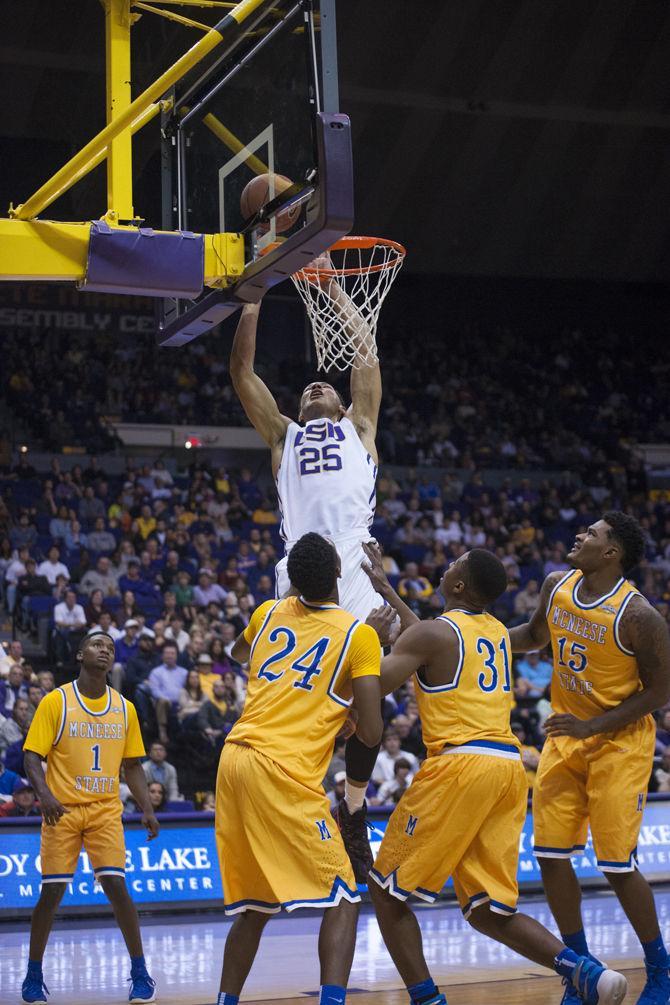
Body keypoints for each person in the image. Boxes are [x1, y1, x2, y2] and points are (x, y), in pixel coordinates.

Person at [361, 543, 628, 1005]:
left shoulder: (434, 635)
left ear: (458, 585)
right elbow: (426, 636)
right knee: (488, 910)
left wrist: (366, 639)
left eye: (451, 567)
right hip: (506, 769)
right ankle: (584, 971)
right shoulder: (497, 634)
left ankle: (428, 1000)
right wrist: (386, 588)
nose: (444, 568)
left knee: (386, 891)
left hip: (459, 764)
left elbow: (376, 683)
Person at [215, 532, 390, 1005]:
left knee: (256, 906)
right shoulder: (359, 634)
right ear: (338, 572)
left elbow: (237, 654)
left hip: (234, 761)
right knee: (344, 895)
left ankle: (225, 1000)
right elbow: (372, 733)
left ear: (292, 581)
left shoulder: (267, 613)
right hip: (282, 769)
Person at [509, 511, 670, 1005]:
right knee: (552, 857)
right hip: (566, 735)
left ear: (611, 553)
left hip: (620, 743)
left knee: (617, 864)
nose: (580, 535)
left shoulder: (639, 615)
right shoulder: (557, 585)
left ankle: (661, 970)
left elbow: (662, 690)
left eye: (593, 534)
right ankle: (582, 971)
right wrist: (471, 641)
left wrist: (594, 726)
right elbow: (535, 637)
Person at [229, 288, 384, 621]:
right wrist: (252, 303)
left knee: (362, 656)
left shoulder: (358, 427)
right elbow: (242, 372)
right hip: (301, 550)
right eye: (309, 390)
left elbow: (366, 351)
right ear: (299, 413)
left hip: (355, 549)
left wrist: (332, 290)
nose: (317, 386)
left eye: (326, 387)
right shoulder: (285, 436)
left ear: (343, 407)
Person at [20, 631, 158, 1004]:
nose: (105, 651)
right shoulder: (56, 701)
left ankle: (141, 972)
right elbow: (31, 756)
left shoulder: (125, 708)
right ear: (80, 654)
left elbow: (132, 766)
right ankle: (33, 975)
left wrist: (146, 808)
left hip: (104, 810)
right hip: (61, 810)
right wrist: (45, 796)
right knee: (51, 893)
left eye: (111, 648)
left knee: (117, 887)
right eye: (98, 645)